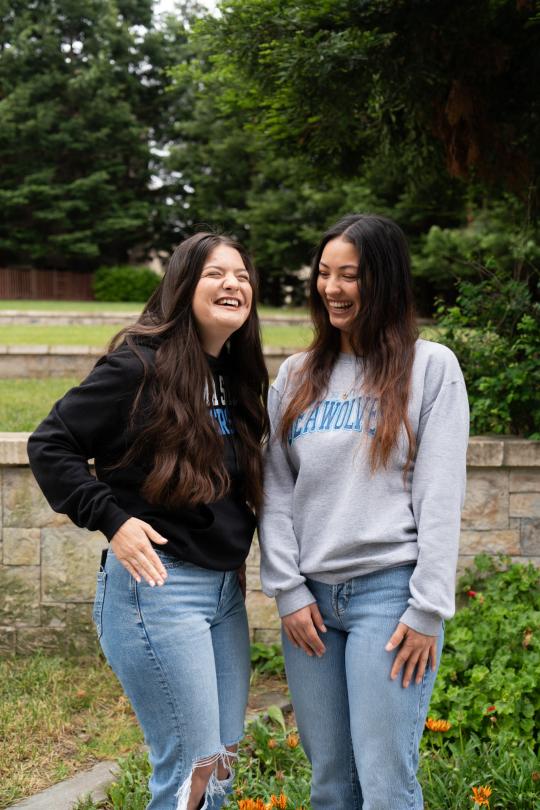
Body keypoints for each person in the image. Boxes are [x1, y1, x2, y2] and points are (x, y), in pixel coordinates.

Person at [27, 232, 269, 810]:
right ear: (183, 285)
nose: (232, 284)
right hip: (157, 591)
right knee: (193, 767)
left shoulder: (234, 375)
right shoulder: (138, 364)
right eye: (215, 273)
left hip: (221, 593)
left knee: (224, 760)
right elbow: (50, 444)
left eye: (240, 274)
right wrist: (112, 520)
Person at [259, 214, 469, 810]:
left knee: (384, 783)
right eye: (324, 274)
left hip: (390, 601)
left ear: (385, 281)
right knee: (330, 782)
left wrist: (428, 608)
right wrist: (288, 592)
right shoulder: (297, 376)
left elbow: (440, 495)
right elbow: (274, 492)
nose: (332, 288)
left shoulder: (431, 368)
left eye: (349, 275)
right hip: (312, 609)